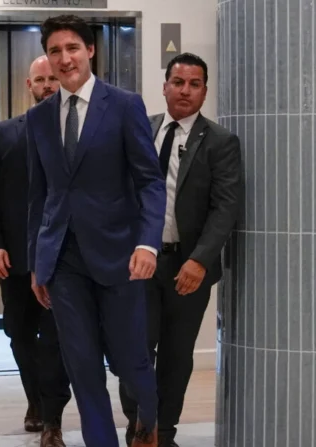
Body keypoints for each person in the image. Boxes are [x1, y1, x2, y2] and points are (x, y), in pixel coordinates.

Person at [26, 15, 167, 447]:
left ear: (90, 50)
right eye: (55, 51)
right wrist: (37, 263)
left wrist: (148, 242)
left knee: (132, 362)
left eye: (72, 48)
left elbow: (149, 180)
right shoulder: (39, 119)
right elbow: (40, 195)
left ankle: (149, 417)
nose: (64, 59)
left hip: (120, 255)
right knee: (82, 367)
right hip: (63, 260)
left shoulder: (124, 105)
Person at [118, 53, 242, 447]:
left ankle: (162, 433)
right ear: (165, 85)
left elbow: (226, 207)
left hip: (188, 268)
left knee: (175, 356)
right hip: (139, 262)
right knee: (133, 349)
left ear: (205, 90)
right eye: (178, 82)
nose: (185, 90)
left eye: (194, 84)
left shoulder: (220, 142)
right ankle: (139, 423)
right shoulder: (143, 128)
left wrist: (200, 260)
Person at [0, 55, 71, 447]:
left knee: (55, 341)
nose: (47, 85)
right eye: (40, 79)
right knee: (17, 334)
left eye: (53, 79)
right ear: (28, 86)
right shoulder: (5, 133)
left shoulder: (75, 132)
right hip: (15, 259)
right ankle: (35, 399)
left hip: (63, 260)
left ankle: (52, 420)